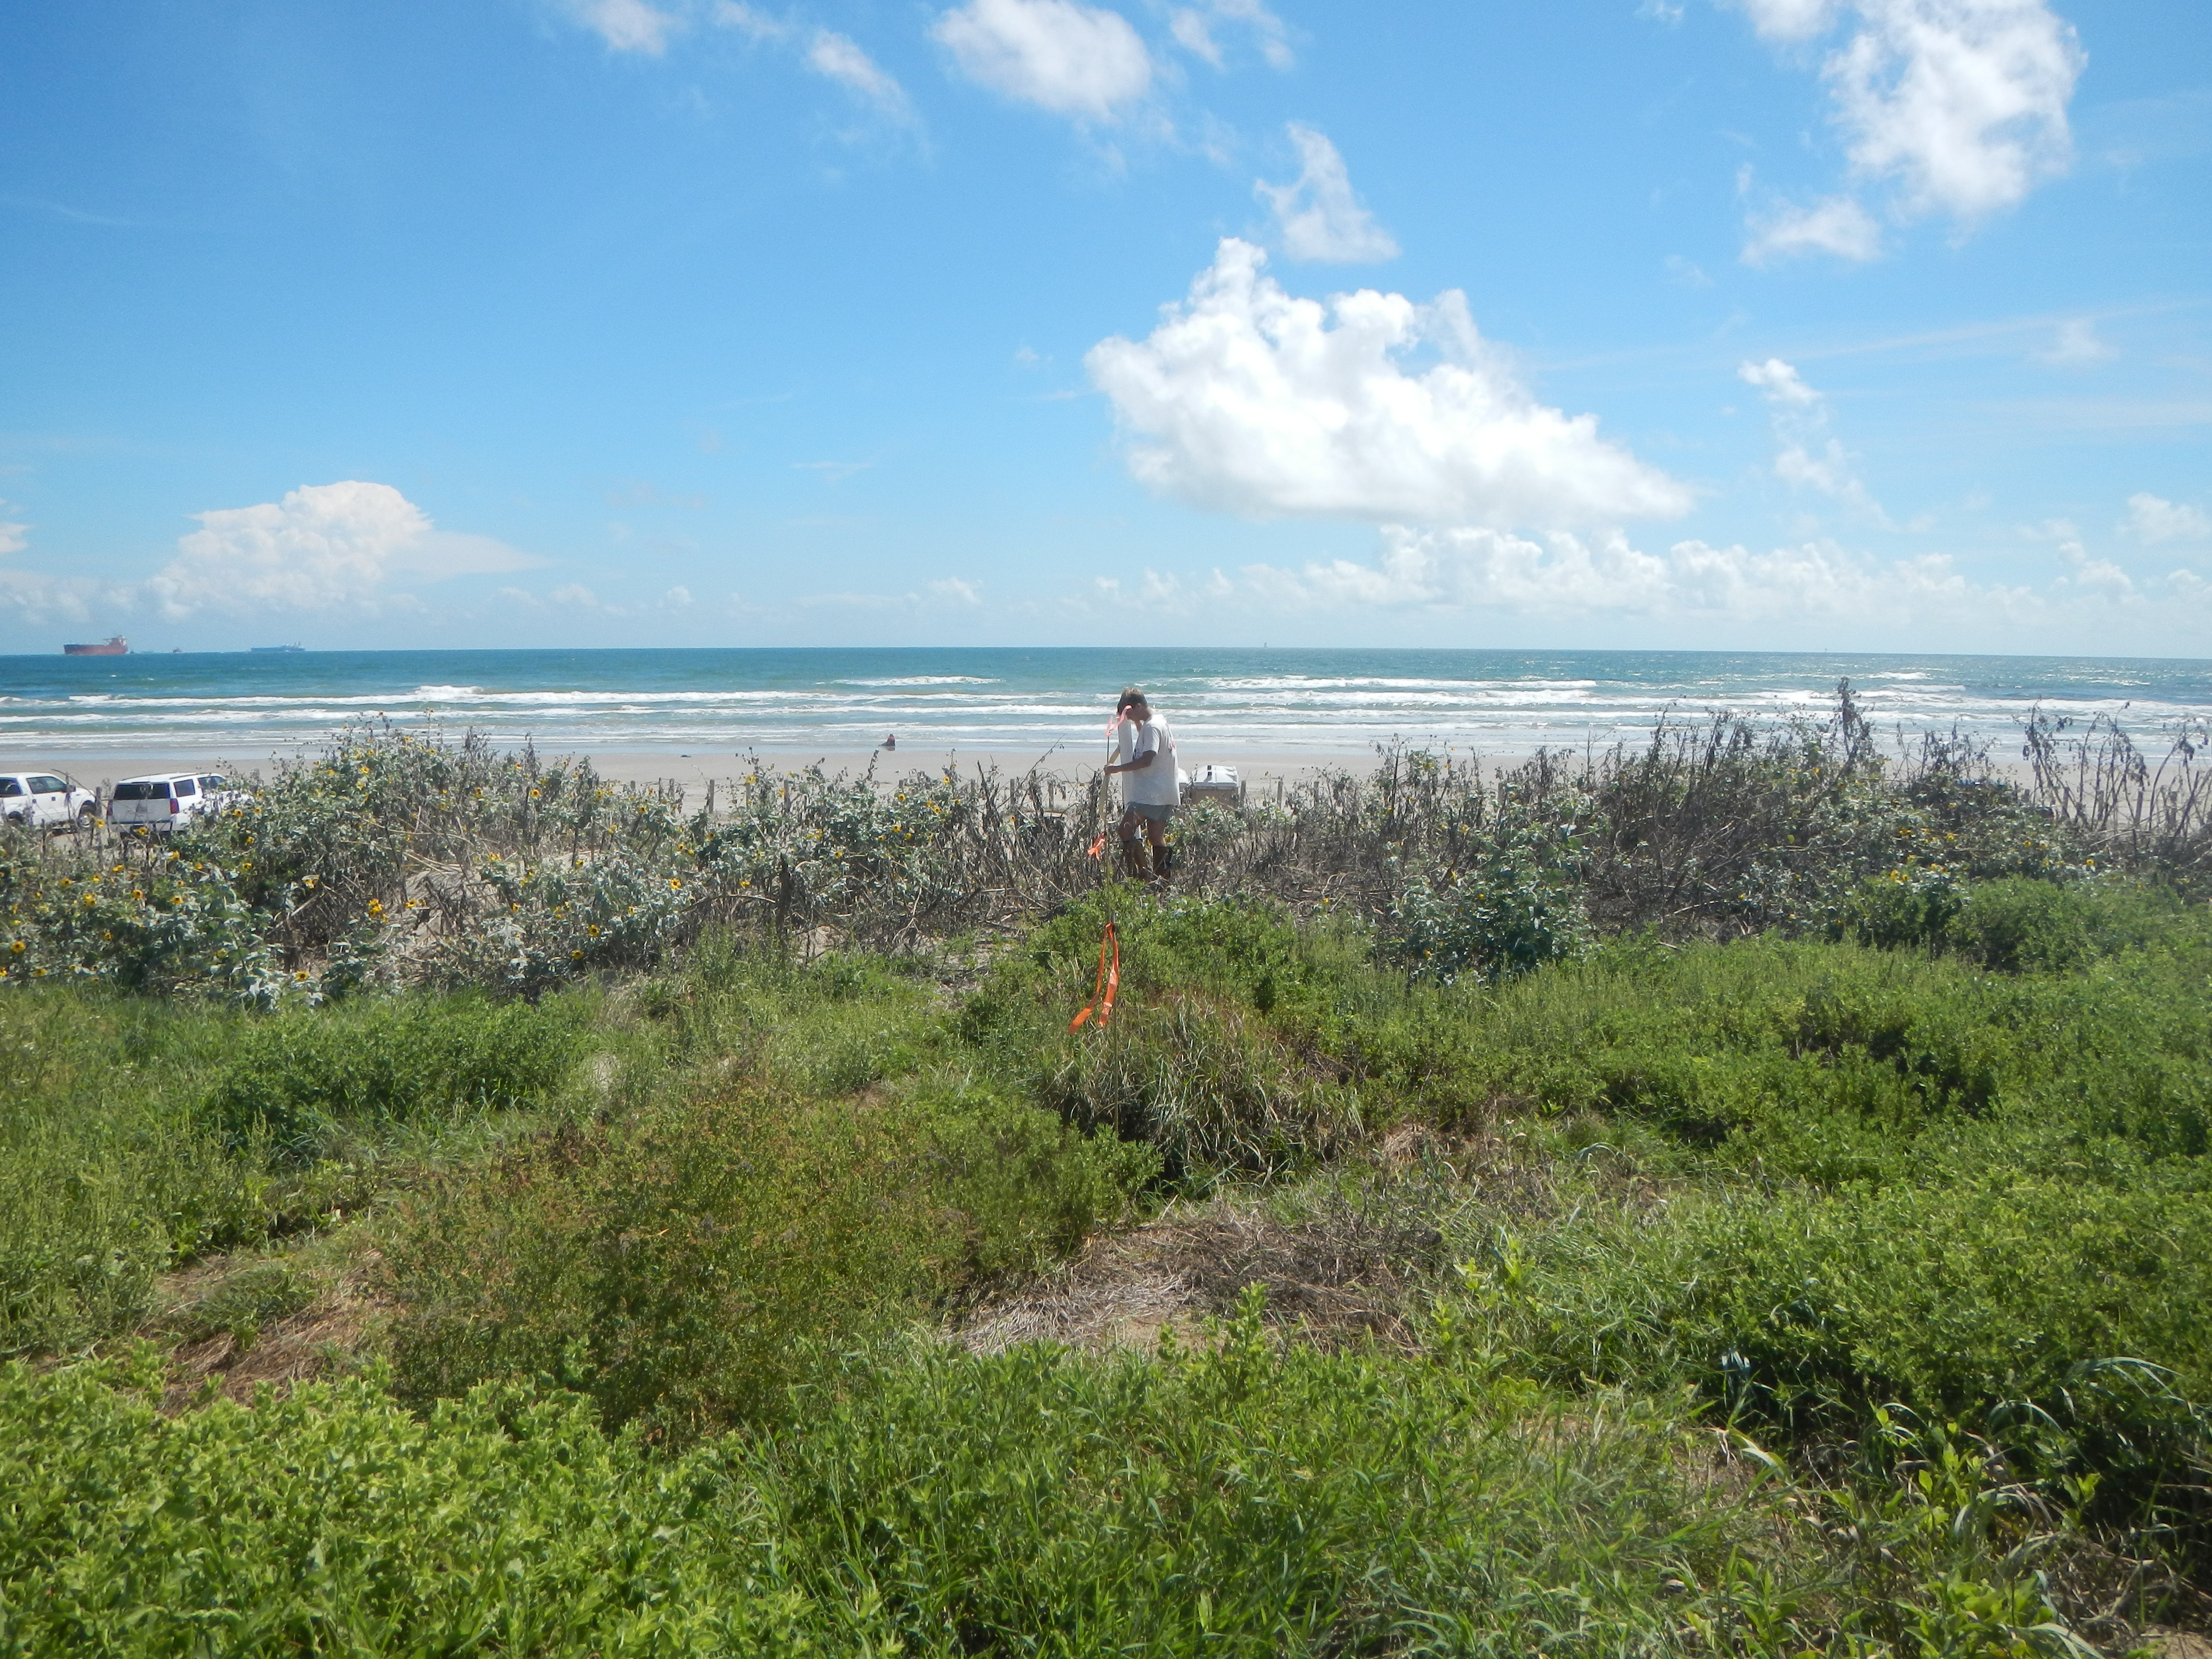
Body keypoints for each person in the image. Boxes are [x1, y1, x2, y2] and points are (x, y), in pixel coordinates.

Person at [1101, 686, 1178, 881]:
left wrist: (1117, 769)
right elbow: (1150, 742)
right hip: (1165, 791)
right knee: (1156, 838)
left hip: (1150, 793)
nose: (1127, 719)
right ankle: (1164, 880)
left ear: (1138, 706)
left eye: (1129, 714)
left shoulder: (1152, 727)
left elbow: (1147, 759)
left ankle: (1143, 875)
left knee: (1125, 830)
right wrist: (1137, 723)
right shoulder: (1158, 722)